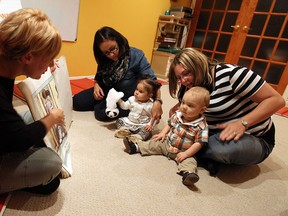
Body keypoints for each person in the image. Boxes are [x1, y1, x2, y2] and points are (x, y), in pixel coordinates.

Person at [168, 48, 285, 175]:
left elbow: (277, 100)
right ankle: (202, 155)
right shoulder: (189, 85)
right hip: (215, 132)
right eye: (179, 77)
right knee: (185, 136)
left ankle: (198, 154)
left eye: (186, 73)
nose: (183, 81)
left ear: (199, 64)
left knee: (220, 149)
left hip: (254, 135)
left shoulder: (232, 74)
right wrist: (178, 107)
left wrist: (243, 123)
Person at [0, 8, 63, 194]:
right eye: (48, 57)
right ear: (27, 56)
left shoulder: (6, 64)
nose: (51, 63)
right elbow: (19, 140)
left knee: (29, 115)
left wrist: (42, 61)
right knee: (52, 165)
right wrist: (50, 119)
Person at [73, 26, 163, 123]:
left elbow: (153, 81)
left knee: (102, 115)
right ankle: (104, 103)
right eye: (106, 52)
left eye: (113, 49)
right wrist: (96, 85)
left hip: (124, 97)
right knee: (77, 102)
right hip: (106, 90)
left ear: (118, 41)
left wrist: (158, 101)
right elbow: (99, 75)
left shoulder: (136, 56)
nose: (111, 55)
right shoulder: (104, 58)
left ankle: (132, 108)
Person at [123, 87, 210, 187]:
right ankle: (135, 147)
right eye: (183, 103)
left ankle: (188, 174)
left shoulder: (202, 126)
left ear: (202, 110)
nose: (184, 107)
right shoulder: (178, 115)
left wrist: (186, 154)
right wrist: (162, 133)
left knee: (190, 162)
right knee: (154, 143)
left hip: (183, 151)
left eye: (190, 105)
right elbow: (169, 124)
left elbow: (199, 143)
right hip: (167, 143)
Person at [114, 76, 162, 141]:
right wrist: (118, 100)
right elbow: (125, 106)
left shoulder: (150, 105)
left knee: (147, 131)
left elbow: (154, 118)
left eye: (140, 91)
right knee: (119, 121)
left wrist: (150, 125)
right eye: (136, 89)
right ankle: (125, 131)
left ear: (149, 95)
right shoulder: (132, 99)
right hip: (130, 122)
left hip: (141, 125)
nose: (136, 92)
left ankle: (137, 137)